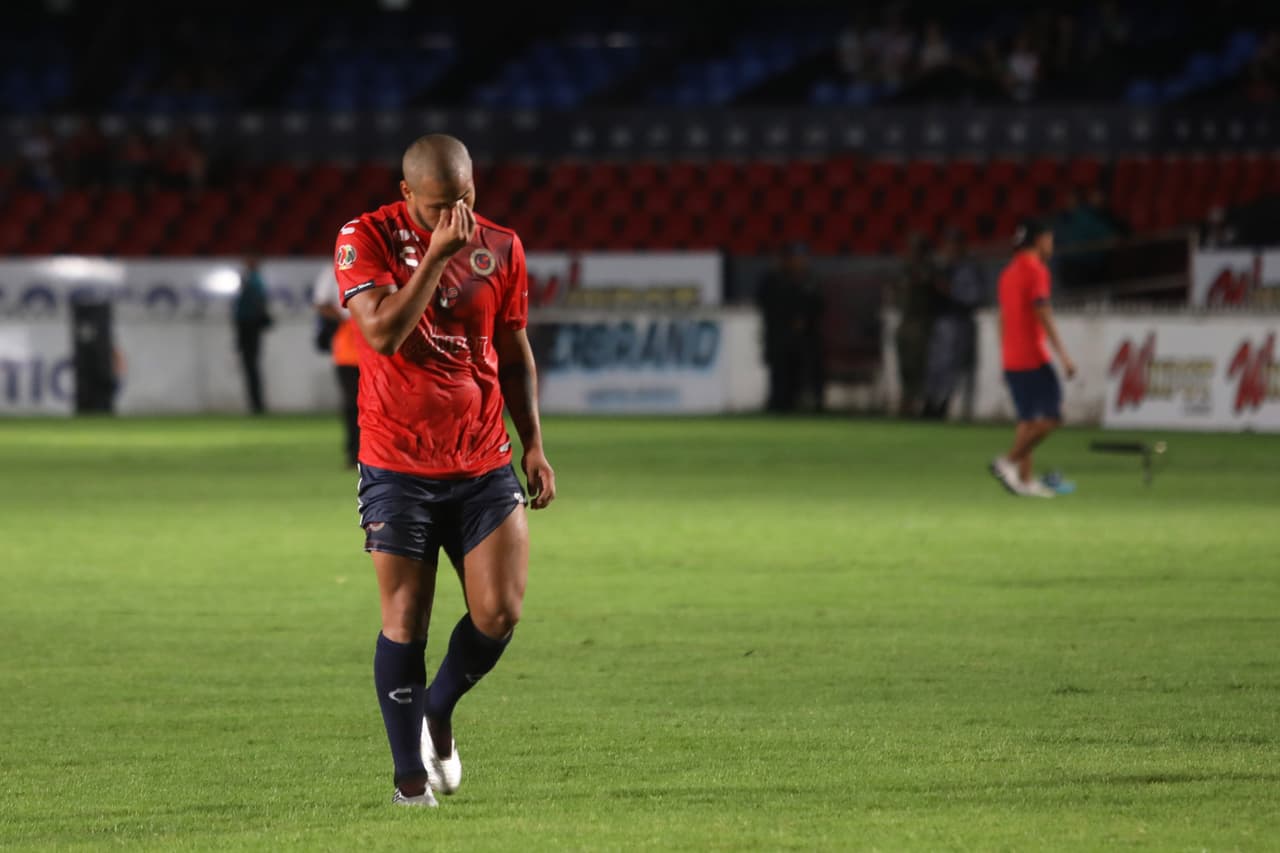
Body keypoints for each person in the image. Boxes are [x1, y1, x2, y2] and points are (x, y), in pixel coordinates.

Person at [332, 133, 556, 808]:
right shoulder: (362, 237)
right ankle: (408, 780)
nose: (452, 218)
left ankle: (438, 707)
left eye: (463, 201)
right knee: (406, 617)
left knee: (500, 612)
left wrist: (535, 442)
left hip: (483, 457)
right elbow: (381, 334)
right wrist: (433, 259)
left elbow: (513, 348)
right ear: (406, 197)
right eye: (435, 207)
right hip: (398, 462)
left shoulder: (503, 247)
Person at [989, 220, 1076, 498]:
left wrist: (1004, 354)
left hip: (1012, 358)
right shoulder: (1037, 271)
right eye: (1050, 238)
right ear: (1040, 240)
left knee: (1027, 421)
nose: (1052, 244)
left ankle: (1025, 481)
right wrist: (1063, 355)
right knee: (1053, 418)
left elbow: (1002, 317)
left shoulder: (1008, 273)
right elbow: (1043, 312)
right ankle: (1008, 461)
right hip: (1033, 356)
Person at [922, 229, 986, 420]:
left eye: (953, 244)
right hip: (940, 320)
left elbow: (973, 297)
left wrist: (950, 290)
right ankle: (930, 403)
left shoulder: (968, 269)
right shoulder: (943, 267)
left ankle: (943, 403)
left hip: (958, 321)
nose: (949, 248)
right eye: (948, 244)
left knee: (951, 365)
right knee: (935, 364)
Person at [756, 242, 825, 413]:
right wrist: (789, 321)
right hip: (779, 336)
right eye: (795, 258)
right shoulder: (773, 280)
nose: (799, 261)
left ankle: (809, 402)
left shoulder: (810, 280)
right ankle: (779, 404)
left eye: (802, 258)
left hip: (806, 337)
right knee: (780, 372)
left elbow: (819, 305)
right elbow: (766, 304)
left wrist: (804, 319)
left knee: (809, 365)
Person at [312, 266, 361, 467]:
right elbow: (321, 304)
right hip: (348, 350)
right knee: (352, 404)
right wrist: (345, 319)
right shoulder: (331, 271)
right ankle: (354, 453)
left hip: (376, 350)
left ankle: (375, 454)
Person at [232, 256, 272, 414]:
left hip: (249, 325)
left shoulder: (253, 280)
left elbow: (257, 301)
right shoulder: (253, 280)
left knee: (250, 366)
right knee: (250, 366)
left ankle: (257, 404)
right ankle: (256, 403)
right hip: (247, 325)